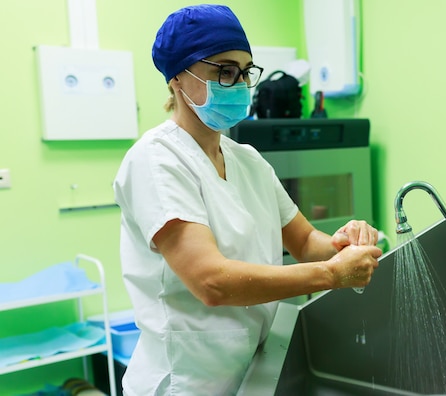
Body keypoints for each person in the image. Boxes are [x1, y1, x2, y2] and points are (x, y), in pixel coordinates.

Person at [113, 4, 382, 396]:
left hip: (248, 369)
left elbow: (306, 243)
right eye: (223, 71)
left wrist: (342, 243)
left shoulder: (248, 160)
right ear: (177, 78)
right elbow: (211, 282)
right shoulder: (156, 160)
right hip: (187, 382)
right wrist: (333, 274)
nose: (238, 83)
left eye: (244, 71)